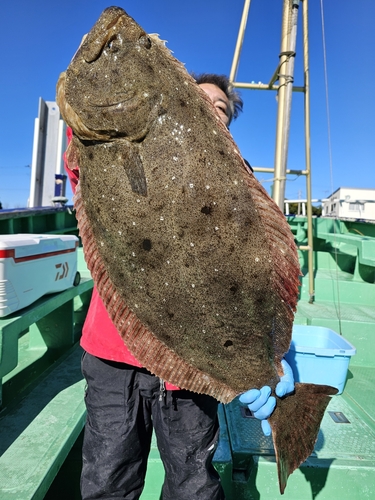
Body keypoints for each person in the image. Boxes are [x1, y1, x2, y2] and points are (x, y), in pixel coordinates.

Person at [64, 73, 294, 500]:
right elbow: (84, 165)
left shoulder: (237, 182)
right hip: (115, 356)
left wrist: (275, 351)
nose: (208, 108)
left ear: (226, 125)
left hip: (194, 368)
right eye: (195, 100)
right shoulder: (136, 149)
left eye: (220, 107)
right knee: (107, 480)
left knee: (193, 485)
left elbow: (260, 266)